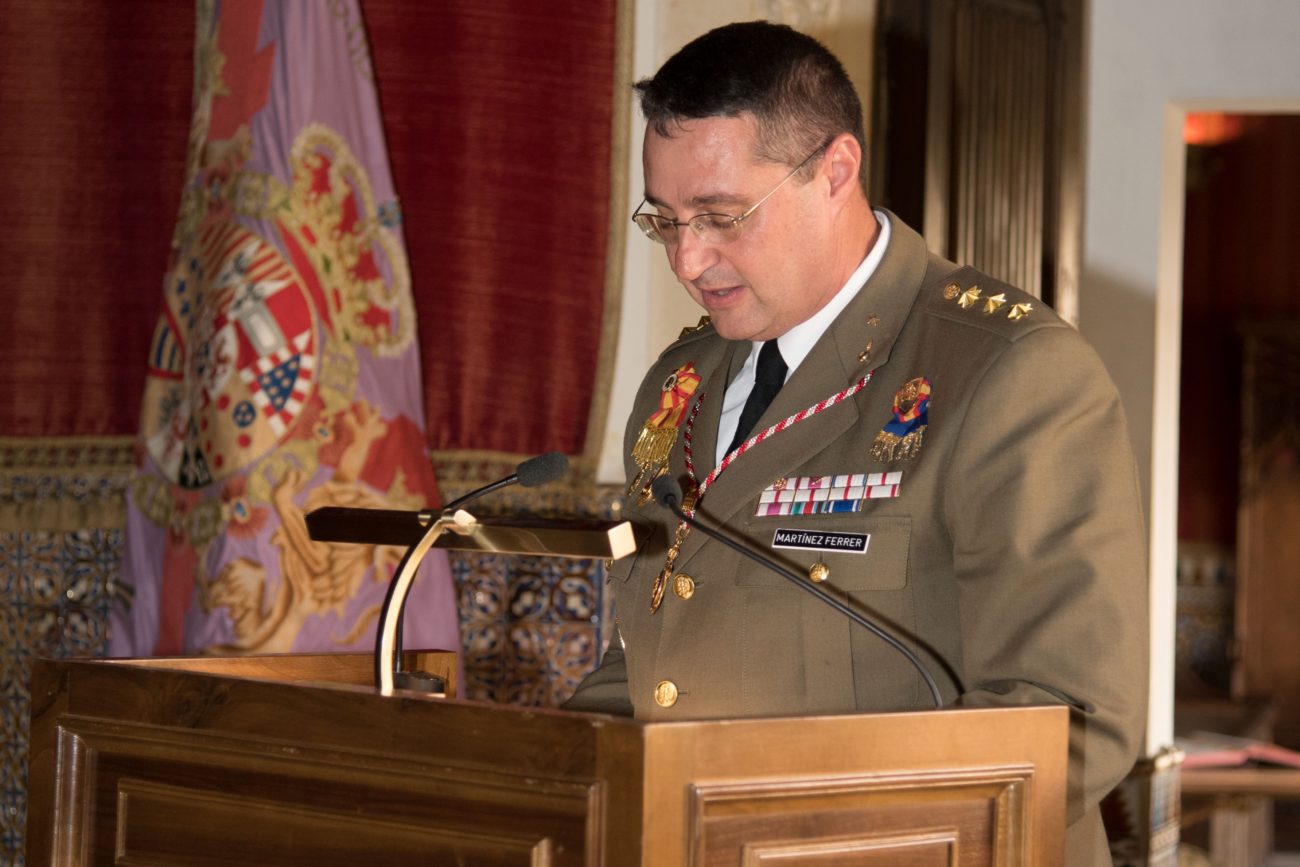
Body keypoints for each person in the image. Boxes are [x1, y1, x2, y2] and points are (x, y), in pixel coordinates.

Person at [563, 20, 1147, 866]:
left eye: (723, 216)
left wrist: (782, 840)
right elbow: (654, 667)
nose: (690, 258)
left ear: (836, 171)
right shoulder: (679, 388)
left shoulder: (1008, 374)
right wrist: (547, 773)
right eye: (666, 220)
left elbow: (1065, 721)